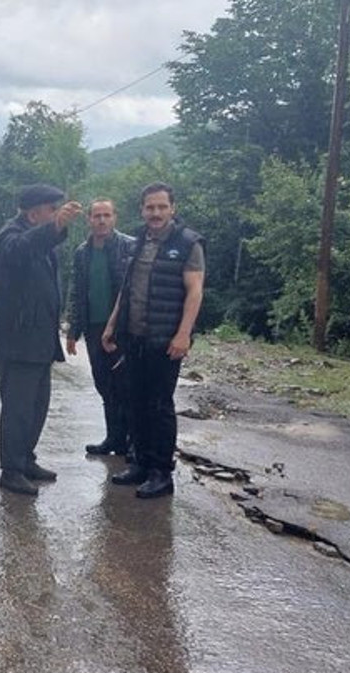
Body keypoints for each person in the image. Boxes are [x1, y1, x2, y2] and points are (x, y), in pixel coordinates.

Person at [101, 182, 205, 499]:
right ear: (142, 210)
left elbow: (195, 291)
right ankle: (140, 464)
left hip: (165, 339)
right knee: (136, 402)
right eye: (150, 207)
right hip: (134, 336)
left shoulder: (188, 244)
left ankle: (161, 473)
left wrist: (184, 334)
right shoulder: (137, 242)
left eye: (162, 207)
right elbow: (126, 289)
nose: (156, 213)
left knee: (160, 406)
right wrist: (112, 324)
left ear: (173, 209)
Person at [0, 184, 84, 496]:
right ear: (33, 215)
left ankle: (25, 460)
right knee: (17, 410)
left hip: (40, 341)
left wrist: (54, 227)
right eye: (51, 210)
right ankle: (11, 471)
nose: (56, 215)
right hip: (19, 343)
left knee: (37, 407)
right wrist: (55, 226)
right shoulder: (10, 237)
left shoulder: (38, 240)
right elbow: (20, 249)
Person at [65, 198, 135, 456]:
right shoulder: (82, 252)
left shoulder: (129, 246)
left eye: (107, 215)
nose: (102, 220)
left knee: (126, 385)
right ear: (89, 219)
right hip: (93, 326)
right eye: (97, 216)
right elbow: (77, 292)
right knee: (104, 384)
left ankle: (132, 443)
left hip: (122, 328)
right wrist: (72, 331)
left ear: (115, 217)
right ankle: (114, 438)